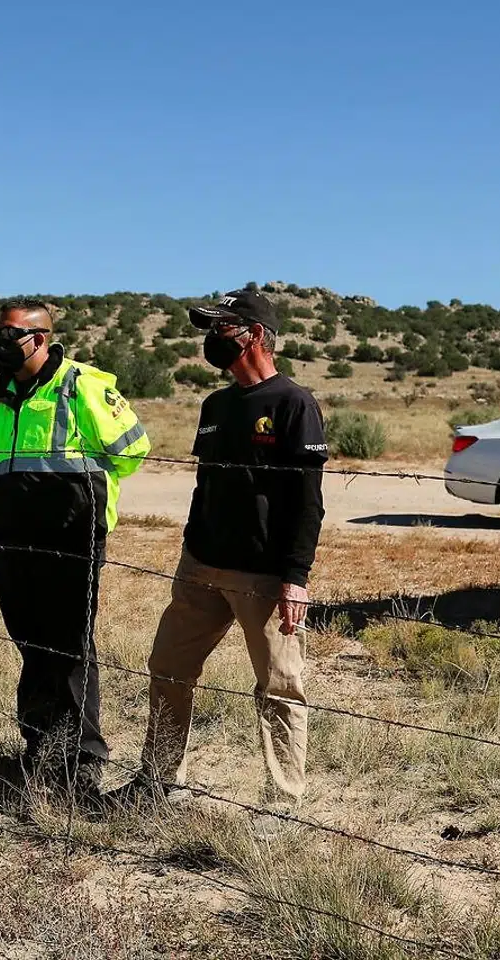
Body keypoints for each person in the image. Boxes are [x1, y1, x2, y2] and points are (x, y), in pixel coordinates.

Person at [131, 289, 327, 809]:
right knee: (168, 667)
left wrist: (295, 577)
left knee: (280, 686)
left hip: (263, 574)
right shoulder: (215, 404)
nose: (212, 341)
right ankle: (158, 780)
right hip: (200, 566)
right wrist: (190, 547)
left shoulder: (294, 403)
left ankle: (284, 801)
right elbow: (205, 486)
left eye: (222, 330)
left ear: (255, 335)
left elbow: (307, 502)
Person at [0, 298, 151, 796]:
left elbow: (132, 449)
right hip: (15, 539)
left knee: (70, 649)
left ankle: (81, 762)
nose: (1, 344)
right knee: (29, 644)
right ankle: (40, 747)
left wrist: (62, 492)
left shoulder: (81, 386)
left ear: (40, 338)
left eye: (11, 335)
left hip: (72, 539)